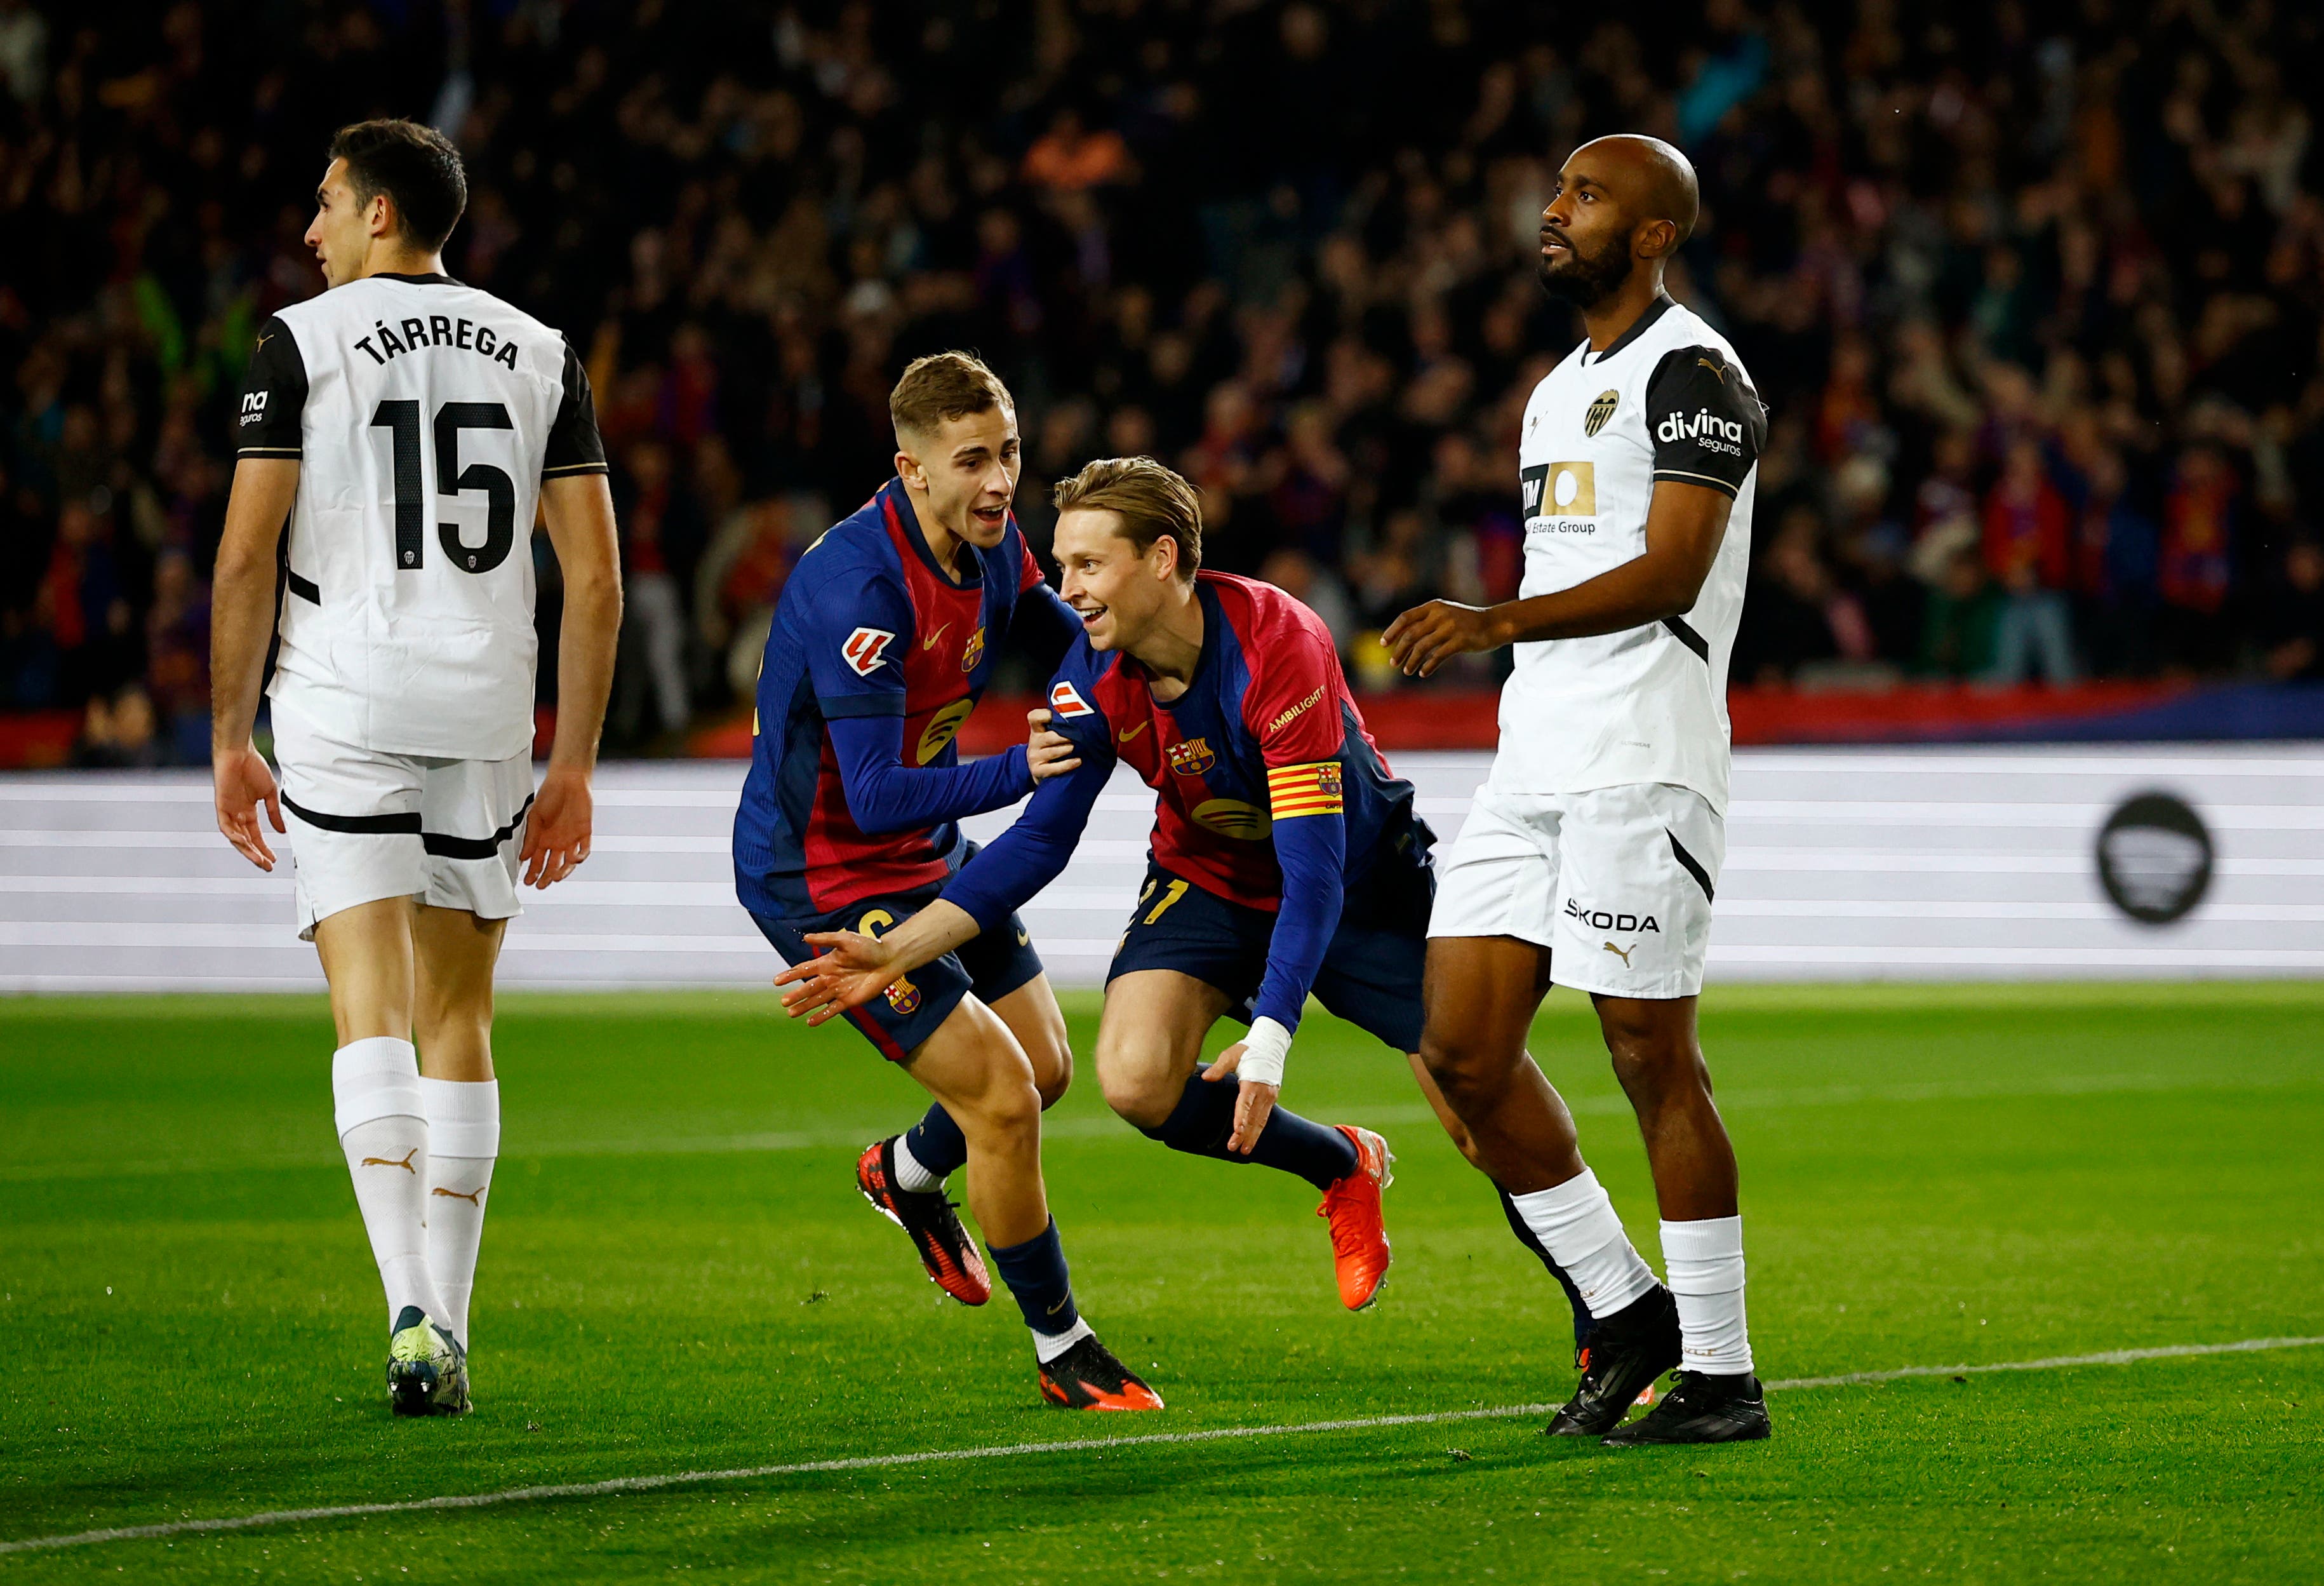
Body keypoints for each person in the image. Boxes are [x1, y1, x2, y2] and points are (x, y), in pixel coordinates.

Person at [773, 457, 1599, 1355]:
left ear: (1163, 558)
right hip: (1211, 876)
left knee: (1484, 1126)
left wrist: (1273, 1038)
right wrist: (902, 948)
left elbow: (1314, 876)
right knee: (1134, 1077)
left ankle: (1609, 1316)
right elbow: (1040, 842)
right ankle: (1341, 1163)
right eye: (1060, 564)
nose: (1066, 588)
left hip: (1362, 885)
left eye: (1090, 565)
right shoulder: (1087, 679)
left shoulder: (1278, 638)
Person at [210, 119, 623, 1416]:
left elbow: (243, 556)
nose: (312, 229)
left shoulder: (301, 340)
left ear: (382, 213)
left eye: (328, 203)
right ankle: (449, 1318)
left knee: (367, 1007)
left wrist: (228, 737)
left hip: (344, 694)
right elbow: (597, 581)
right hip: (490, 708)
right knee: (463, 1017)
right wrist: (575, 766)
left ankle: (405, 1305)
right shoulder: (543, 351)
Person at [1383, 135, 1773, 1446]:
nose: (1555, 211)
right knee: (1461, 1053)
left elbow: (1670, 569)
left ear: (1656, 232)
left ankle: (1722, 1374)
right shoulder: (1558, 391)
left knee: (1650, 1054)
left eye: (1588, 197)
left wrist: (1493, 619)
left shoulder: (1698, 374)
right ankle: (1625, 1307)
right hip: (1533, 758)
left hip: (1640, 757)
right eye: (1556, 190)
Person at [731, 352, 1159, 1412]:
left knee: (1048, 1069)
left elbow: (1063, 633)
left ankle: (906, 1174)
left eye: (1009, 452)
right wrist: (1029, 763)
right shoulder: (859, 590)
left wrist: (1136, 657)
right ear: (911, 470)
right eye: (972, 460)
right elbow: (874, 793)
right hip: (823, 871)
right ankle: (1065, 1349)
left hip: (927, 857)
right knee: (1004, 1098)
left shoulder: (994, 546)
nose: (1000, 480)